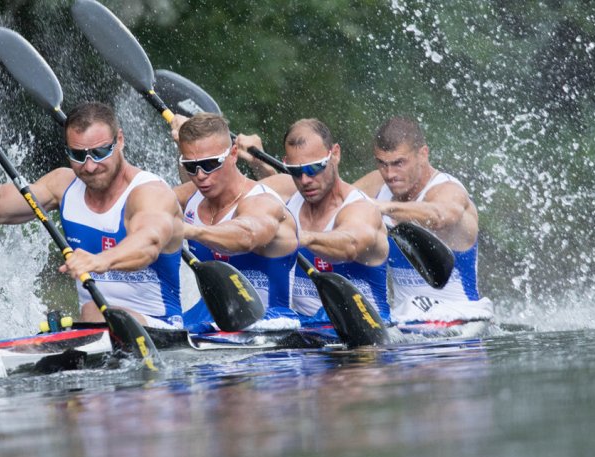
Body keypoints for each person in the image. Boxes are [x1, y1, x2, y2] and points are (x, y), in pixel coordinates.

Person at [0, 102, 184, 327]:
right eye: (78, 155)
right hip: (97, 327)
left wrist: (100, 260)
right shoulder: (63, 185)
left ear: (119, 140)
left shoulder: (149, 192)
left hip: (160, 329)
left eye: (99, 152)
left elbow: (148, 245)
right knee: (80, 316)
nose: (89, 166)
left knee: (92, 311)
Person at [239, 119, 392, 325]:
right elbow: (222, 195)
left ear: (335, 154)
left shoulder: (360, 209)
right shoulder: (285, 191)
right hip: (304, 328)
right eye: (295, 170)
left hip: (362, 329)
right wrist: (239, 157)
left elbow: (350, 245)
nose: (305, 180)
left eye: (314, 168)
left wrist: (302, 238)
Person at [353, 116, 493, 324]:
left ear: (423, 154)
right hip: (404, 320)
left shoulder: (448, 189)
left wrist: (383, 207)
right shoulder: (377, 183)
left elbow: (439, 216)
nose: (390, 174)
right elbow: (335, 205)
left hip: (460, 319)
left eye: (399, 163)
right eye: (382, 164)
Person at [170, 113, 299, 330]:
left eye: (210, 163)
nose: (200, 175)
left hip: (266, 325)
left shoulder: (261, 201)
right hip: (208, 320)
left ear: (233, 153)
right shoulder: (189, 195)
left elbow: (247, 235)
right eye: (191, 166)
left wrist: (190, 231)